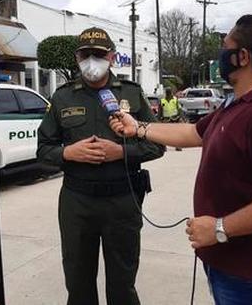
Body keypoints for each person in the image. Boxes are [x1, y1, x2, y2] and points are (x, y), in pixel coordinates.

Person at [110, 15, 252, 305]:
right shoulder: (237, 105)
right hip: (228, 265)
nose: (219, 57)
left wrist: (220, 228)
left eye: (225, 48)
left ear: (242, 57)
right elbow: (193, 132)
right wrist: (138, 128)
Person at [37, 27, 164, 305]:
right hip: (77, 202)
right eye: (86, 54)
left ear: (111, 56)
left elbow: (157, 144)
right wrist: (69, 152)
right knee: (78, 283)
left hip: (123, 200)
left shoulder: (131, 93)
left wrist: (120, 151)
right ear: (77, 57)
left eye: (99, 54)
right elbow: (43, 151)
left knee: (122, 284)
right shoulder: (62, 97)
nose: (92, 59)